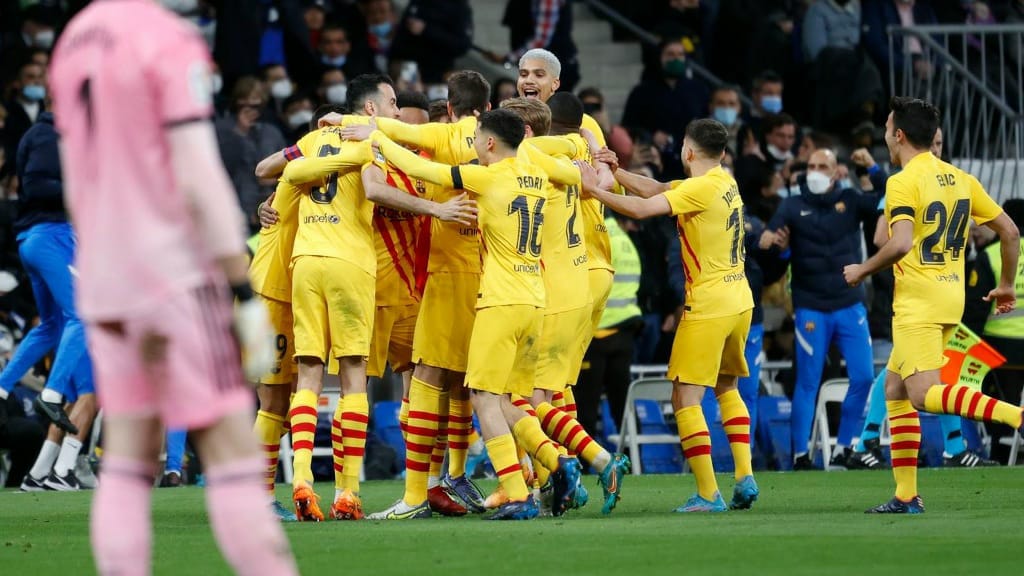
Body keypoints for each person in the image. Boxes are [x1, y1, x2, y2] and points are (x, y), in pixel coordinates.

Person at [49, 1, 297, 573]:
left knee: (128, 460)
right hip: (173, 274)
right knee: (234, 454)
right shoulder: (166, 37)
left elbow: (76, 179)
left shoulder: (75, 39)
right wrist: (239, 283)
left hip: (105, 274)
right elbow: (195, 172)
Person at [371, 109, 582, 520]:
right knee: (509, 400)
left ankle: (516, 492)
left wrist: (375, 140)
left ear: (488, 143)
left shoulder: (487, 176)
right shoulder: (536, 175)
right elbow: (573, 173)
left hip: (499, 300)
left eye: (476, 140)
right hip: (536, 301)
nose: (472, 147)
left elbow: (419, 167)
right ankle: (556, 461)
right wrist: (575, 145)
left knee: (484, 397)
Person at [842, 97, 1021, 513]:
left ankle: (1015, 416)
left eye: (887, 128)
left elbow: (898, 243)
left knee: (922, 395)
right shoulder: (960, 177)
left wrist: (862, 271)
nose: (885, 134)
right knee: (896, 388)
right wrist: (1007, 285)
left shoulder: (902, 182)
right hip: (950, 295)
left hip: (918, 302)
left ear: (898, 135)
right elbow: (1009, 232)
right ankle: (906, 495)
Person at [584, 118, 758, 513]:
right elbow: (661, 190)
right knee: (726, 387)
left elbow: (645, 209)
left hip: (709, 304)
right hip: (740, 300)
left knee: (685, 397)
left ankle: (708, 493)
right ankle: (745, 477)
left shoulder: (699, 187)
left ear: (688, 152)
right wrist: (616, 172)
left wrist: (595, 190)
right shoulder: (723, 182)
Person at [341, 70, 494, 514]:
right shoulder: (376, 155)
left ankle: (435, 484)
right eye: (396, 116)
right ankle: (348, 490)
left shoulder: (428, 165)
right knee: (363, 387)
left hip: (420, 292)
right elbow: (370, 189)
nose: (408, 134)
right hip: (370, 289)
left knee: (433, 387)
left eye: (411, 127)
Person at [759, 149, 879, 470]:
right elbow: (768, 243)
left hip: (849, 303)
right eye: (810, 165)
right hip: (810, 306)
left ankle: (844, 448)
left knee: (864, 376)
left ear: (836, 170)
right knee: (808, 381)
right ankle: (801, 455)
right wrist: (774, 246)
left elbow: (886, 201)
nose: (814, 171)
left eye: (821, 166)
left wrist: (872, 169)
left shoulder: (851, 200)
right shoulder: (791, 205)